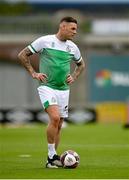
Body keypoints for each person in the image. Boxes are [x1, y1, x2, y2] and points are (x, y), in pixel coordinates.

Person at [18, 16, 85, 168]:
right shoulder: (45, 41)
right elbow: (22, 55)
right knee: (54, 118)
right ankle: (51, 156)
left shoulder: (73, 47)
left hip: (63, 90)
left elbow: (81, 65)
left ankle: (52, 159)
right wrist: (34, 73)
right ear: (62, 26)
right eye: (72, 29)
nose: (75, 32)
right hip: (47, 87)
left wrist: (74, 76)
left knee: (59, 124)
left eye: (76, 29)